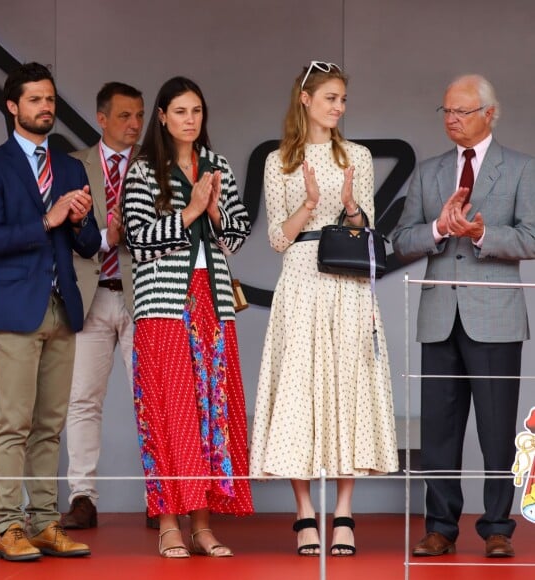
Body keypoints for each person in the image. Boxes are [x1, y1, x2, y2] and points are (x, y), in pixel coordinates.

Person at [249, 61, 398, 557]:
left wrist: (351, 204)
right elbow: (276, 238)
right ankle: (304, 514)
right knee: (299, 390)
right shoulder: (279, 160)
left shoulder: (356, 154)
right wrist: (310, 204)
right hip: (300, 278)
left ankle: (345, 514)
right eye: (330, 97)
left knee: (347, 388)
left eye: (343, 99)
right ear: (305, 100)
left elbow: (369, 229)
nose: (338, 107)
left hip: (348, 283)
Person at [393, 74, 535, 558]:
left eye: (462, 112)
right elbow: (401, 239)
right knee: (439, 429)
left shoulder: (520, 168)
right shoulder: (429, 171)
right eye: (447, 112)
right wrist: (438, 227)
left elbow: (531, 239)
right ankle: (440, 527)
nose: (452, 119)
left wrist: (479, 233)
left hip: (494, 317)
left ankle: (498, 526)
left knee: (497, 428)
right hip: (438, 315)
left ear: (488, 114)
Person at [0, 62, 101, 561]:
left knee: (51, 424)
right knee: (15, 423)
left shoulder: (69, 166)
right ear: (13, 106)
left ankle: (45, 522)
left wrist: (82, 221)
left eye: (50, 99)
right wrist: (50, 217)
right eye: (35, 100)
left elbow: (86, 244)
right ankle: (9, 525)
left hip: (62, 307)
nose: (46, 107)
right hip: (13, 309)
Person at [122, 76, 254, 558]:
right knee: (168, 410)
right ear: (161, 116)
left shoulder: (216, 165)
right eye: (180, 111)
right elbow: (136, 239)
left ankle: (203, 525)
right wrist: (189, 211)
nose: (190, 120)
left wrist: (214, 212)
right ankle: (169, 524)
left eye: (196, 111)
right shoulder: (143, 170)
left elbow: (237, 236)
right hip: (162, 303)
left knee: (210, 410)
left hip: (212, 300)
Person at [61, 82, 150, 529]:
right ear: (101, 118)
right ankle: (82, 498)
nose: (134, 124)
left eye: (138, 116)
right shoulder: (74, 165)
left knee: (154, 400)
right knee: (82, 400)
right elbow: (62, 235)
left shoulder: (155, 167)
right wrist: (102, 237)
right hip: (90, 295)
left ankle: (163, 497)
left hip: (144, 296)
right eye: (124, 116)